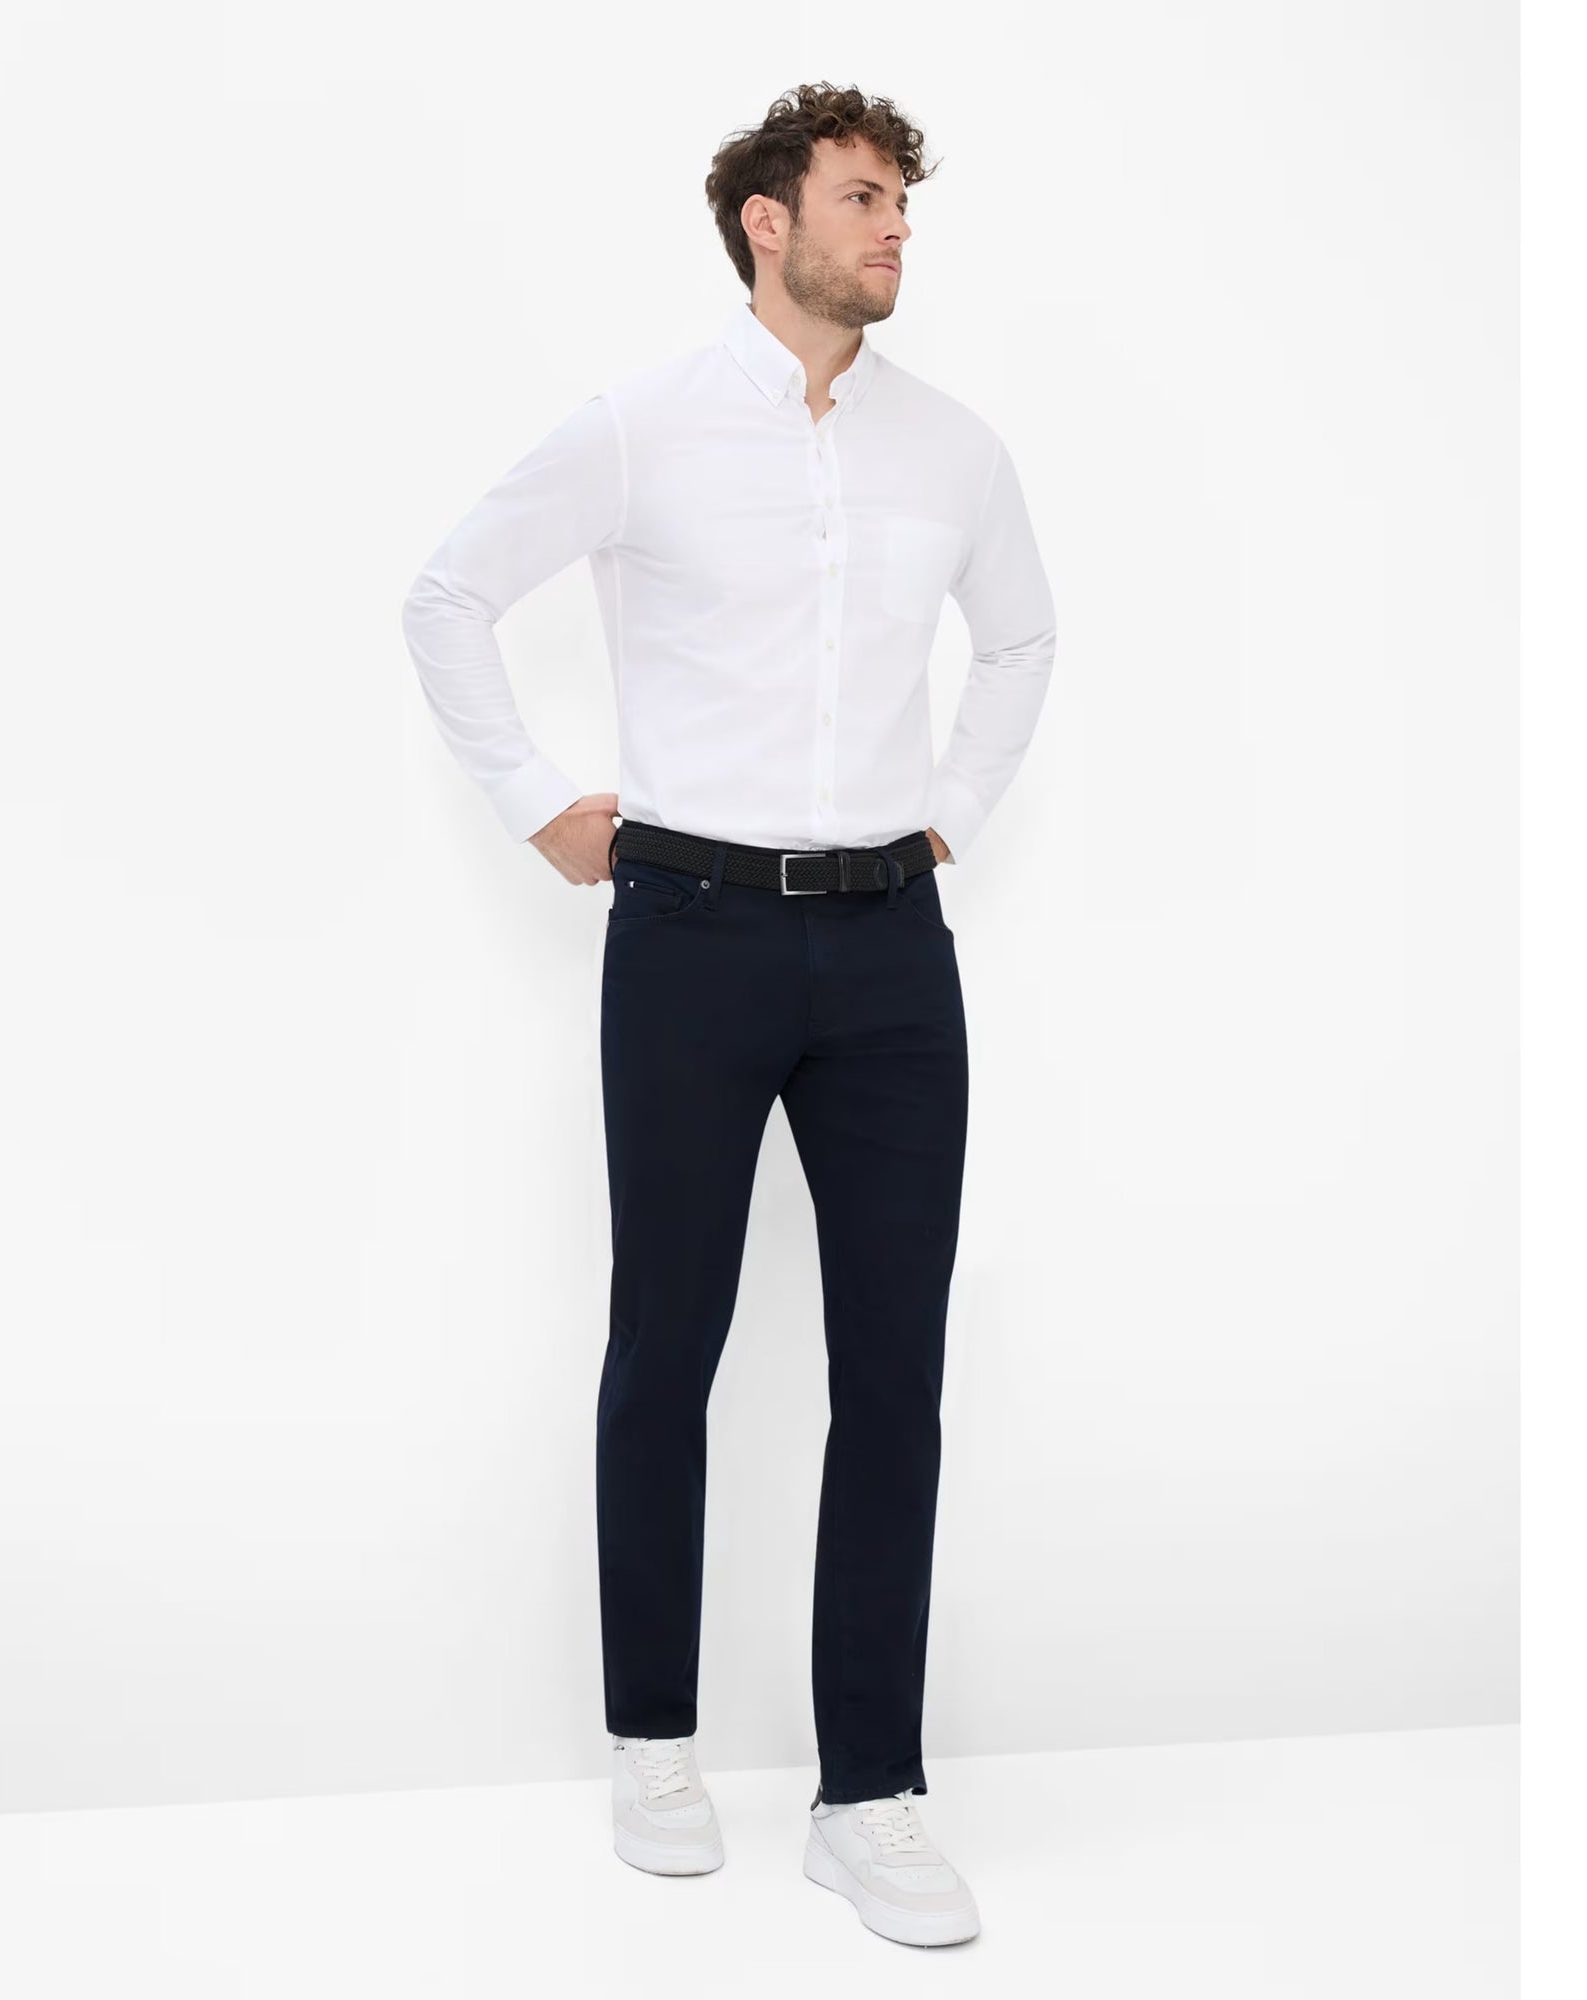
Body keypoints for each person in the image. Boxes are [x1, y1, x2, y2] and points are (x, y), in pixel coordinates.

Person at [400, 81, 1057, 1948]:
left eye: (904, 202)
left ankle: (871, 1795)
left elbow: (1022, 639)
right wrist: (540, 799)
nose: (895, 227)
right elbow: (447, 595)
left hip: (891, 950)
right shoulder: (645, 428)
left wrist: (953, 809)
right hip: (689, 932)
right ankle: (654, 1743)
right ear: (767, 223)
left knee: (895, 1370)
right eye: (863, 198)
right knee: (666, 1339)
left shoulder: (955, 451)